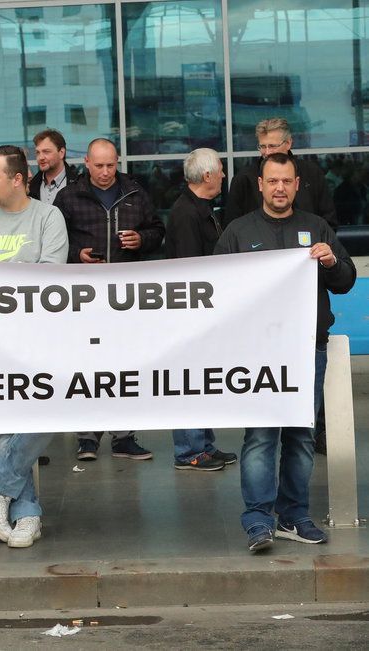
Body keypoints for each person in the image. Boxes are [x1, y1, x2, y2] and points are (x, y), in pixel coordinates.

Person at [214, 152, 355, 552]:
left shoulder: (317, 227)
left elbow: (345, 280)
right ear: (260, 184)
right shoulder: (237, 232)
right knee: (260, 436)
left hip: (308, 350)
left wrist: (330, 262)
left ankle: (294, 515)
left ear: (296, 185)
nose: (279, 188)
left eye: (286, 181)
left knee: (301, 437)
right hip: (256, 353)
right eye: (272, 181)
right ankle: (258, 520)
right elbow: (214, 290)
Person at [0, 145, 68, 548]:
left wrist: (0, 275)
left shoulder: (48, 217)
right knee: (4, 426)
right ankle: (27, 515)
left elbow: (51, 277)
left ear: (18, 179)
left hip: (41, 339)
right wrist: (22, 273)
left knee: (55, 411)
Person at [54, 138, 165, 462]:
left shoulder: (134, 192)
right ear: (87, 162)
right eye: (99, 165)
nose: (105, 172)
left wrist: (141, 239)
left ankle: (124, 437)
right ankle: (87, 438)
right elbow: (54, 241)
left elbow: (159, 231)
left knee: (125, 366)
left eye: (111, 165)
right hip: (83, 295)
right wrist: (78, 254)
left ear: (117, 162)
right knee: (85, 367)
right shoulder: (69, 196)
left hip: (124, 296)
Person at [163, 149, 239, 472]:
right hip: (191, 314)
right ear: (207, 176)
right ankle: (189, 451)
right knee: (190, 380)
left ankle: (204, 445)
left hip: (205, 312)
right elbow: (190, 269)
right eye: (221, 170)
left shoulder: (204, 210)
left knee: (203, 381)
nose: (224, 175)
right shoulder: (186, 214)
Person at [225, 118, 336, 230]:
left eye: (272, 146)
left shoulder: (312, 173)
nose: (267, 152)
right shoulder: (244, 179)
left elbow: (329, 222)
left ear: (288, 143)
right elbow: (232, 230)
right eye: (263, 146)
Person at [28, 129, 78, 204]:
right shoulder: (32, 186)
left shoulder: (78, 185)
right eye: (38, 152)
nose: (41, 157)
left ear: (61, 153)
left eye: (46, 152)